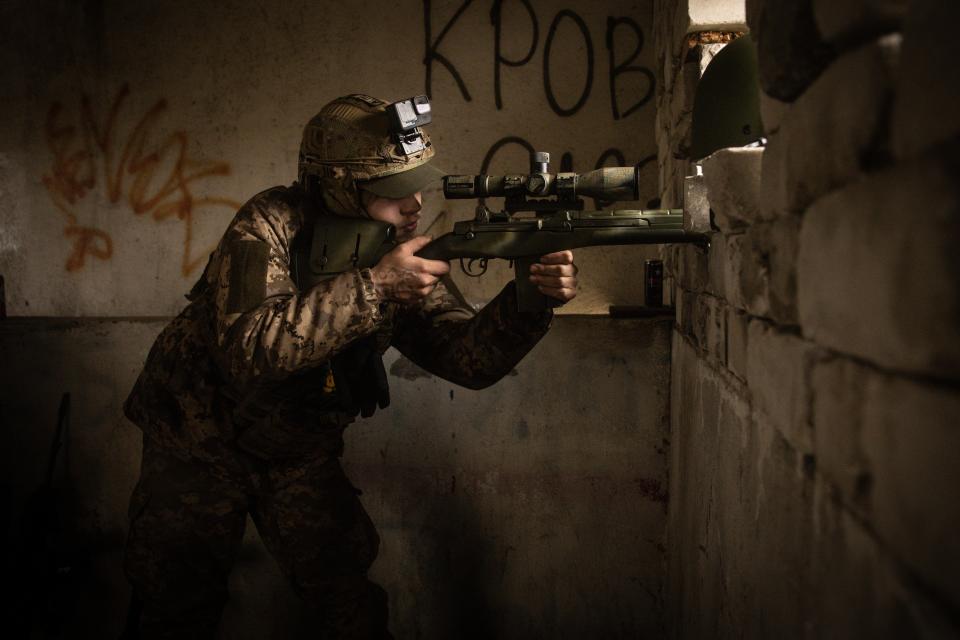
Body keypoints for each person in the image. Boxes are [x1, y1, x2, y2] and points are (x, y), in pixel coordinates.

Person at [121, 93, 578, 639]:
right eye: (390, 191)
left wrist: (529, 300)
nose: (411, 205)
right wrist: (375, 285)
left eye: (414, 183)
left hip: (294, 446)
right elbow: (248, 349)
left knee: (347, 603)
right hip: (195, 439)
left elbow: (466, 358)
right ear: (338, 185)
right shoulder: (267, 224)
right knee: (175, 607)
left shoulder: (398, 246)